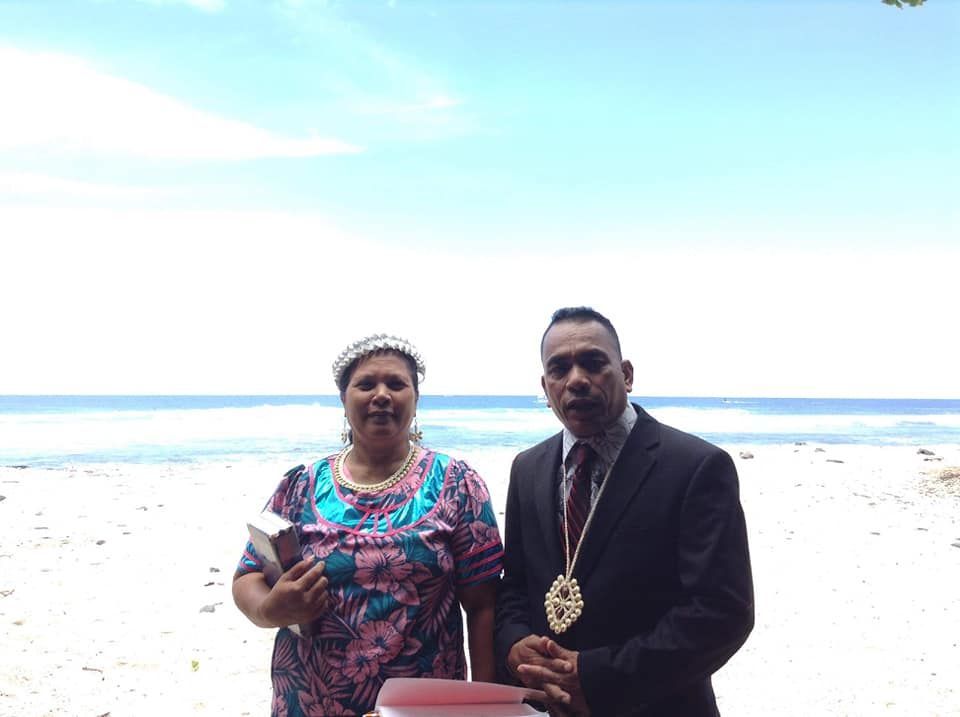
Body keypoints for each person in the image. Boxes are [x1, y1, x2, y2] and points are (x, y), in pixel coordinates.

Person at [495, 308, 754, 717]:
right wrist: (514, 645)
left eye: (594, 363)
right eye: (559, 369)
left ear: (627, 374)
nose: (577, 379)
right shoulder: (527, 469)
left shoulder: (695, 467)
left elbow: (721, 613)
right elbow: (515, 587)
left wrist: (596, 676)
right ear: (546, 388)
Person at [233, 334, 503, 716]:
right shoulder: (300, 485)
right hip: (310, 701)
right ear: (344, 400)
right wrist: (270, 610)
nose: (381, 395)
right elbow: (247, 576)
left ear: (415, 398)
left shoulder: (457, 484)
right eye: (365, 384)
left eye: (396, 384)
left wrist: (486, 704)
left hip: (423, 707)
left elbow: (483, 606)